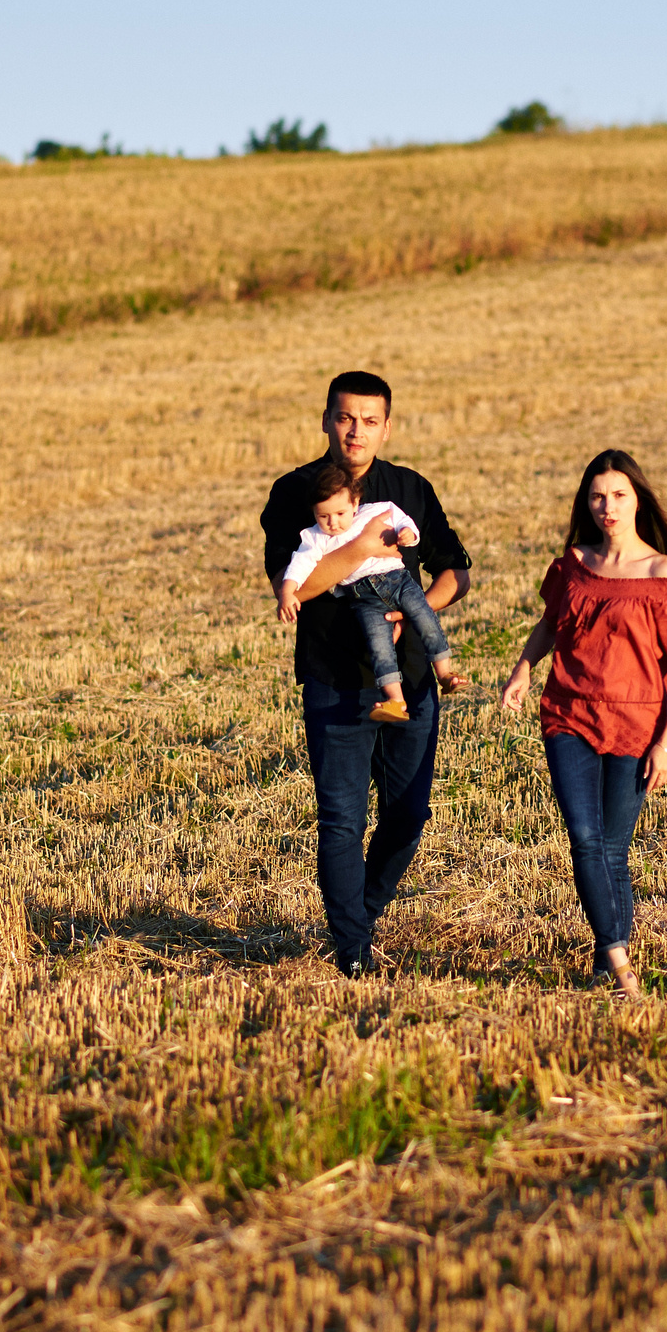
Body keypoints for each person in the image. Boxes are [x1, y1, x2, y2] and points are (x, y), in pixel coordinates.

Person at [261, 372, 473, 977]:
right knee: (342, 819)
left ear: (387, 425)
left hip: (409, 678)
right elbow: (295, 586)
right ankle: (352, 951)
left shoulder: (407, 489)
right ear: (326, 419)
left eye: (370, 420)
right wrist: (358, 552)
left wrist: (419, 609)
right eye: (345, 418)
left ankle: (362, 909)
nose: (356, 431)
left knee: (408, 814)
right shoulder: (293, 493)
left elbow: (456, 568)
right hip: (334, 679)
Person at [498, 449, 667, 1000]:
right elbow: (549, 625)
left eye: (617, 495)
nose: (607, 507)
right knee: (586, 839)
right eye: (597, 497)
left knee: (613, 849)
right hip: (570, 714)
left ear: (637, 500)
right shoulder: (573, 564)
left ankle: (601, 956)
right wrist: (522, 671)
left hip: (637, 725)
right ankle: (619, 961)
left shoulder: (661, 572)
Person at [275, 461, 466, 722]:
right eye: (324, 516)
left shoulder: (378, 510)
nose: (333, 523)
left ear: (355, 503)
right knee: (379, 647)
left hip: (399, 581)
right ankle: (395, 701)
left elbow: (403, 521)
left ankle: (444, 673)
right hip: (364, 599)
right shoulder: (315, 537)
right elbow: (299, 565)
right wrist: (287, 592)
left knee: (425, 618)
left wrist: (408, 533)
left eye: (340, 514)